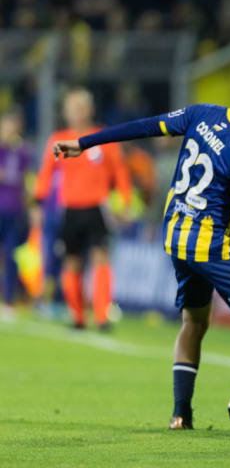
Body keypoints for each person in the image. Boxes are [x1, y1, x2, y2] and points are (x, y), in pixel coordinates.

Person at [52, 72, 230, 431]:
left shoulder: (203, 114)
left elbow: (146, 126)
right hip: (213, 246)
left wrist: (86, 142)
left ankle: (181, 414)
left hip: (177, 240)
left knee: (194, 322)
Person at [35, 88, 132, 330]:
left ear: (90, 110)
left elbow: (119, 170)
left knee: (101, 258)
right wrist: (38, 202)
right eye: (72, 108)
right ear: (66, 112)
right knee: (72, 262)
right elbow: (46, 172)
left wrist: (125, 201)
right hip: (70, 209)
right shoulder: (59, 138)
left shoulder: (103, 137)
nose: (76, 112)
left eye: (81, 107)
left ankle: (101, 316)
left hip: (98, 208)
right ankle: (77, 316)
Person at [0, 109, 33, 317]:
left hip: (14, 211)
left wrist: (31, 207)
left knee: (11, 255)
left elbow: (28, 182)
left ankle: (9, 299)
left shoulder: (23, 152)